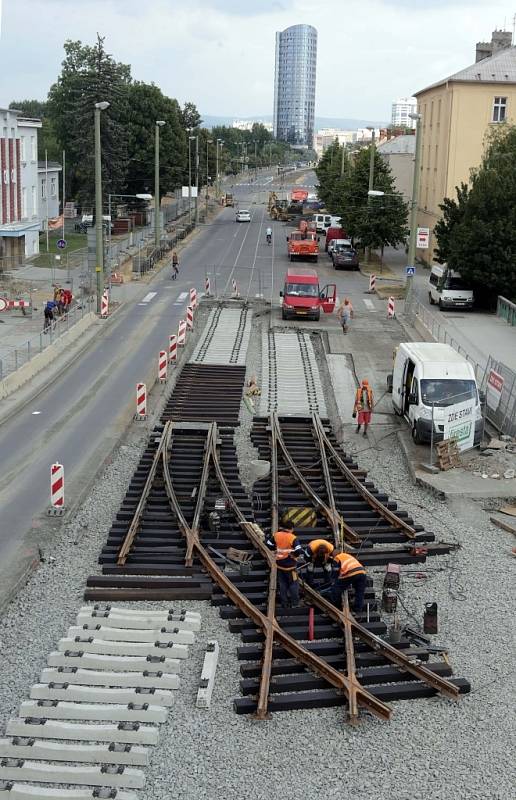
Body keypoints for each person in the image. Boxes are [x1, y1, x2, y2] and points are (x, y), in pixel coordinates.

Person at [266, 521, 303, 607]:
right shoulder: (293, 537)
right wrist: (294, 555)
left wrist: (275, 549)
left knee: (282, 584)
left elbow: (268, 544)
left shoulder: (277, 535)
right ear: (291, 528)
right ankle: (295, 603)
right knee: (293, 584)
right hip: (290, 566)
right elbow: (298, 550)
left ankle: (284, 603)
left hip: (280, 564)